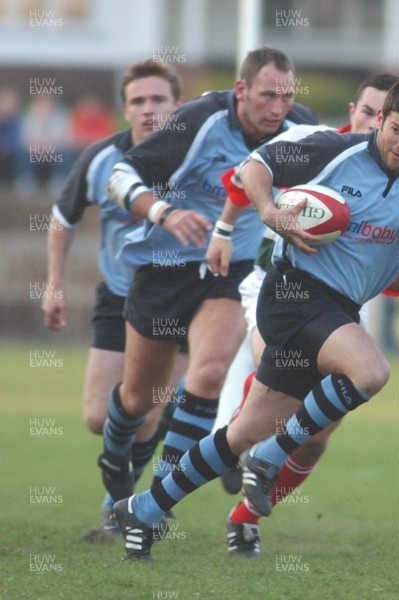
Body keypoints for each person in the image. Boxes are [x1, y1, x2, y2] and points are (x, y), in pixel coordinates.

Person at [109, 75, 399, 560]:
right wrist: (270, 212)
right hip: (292, 292)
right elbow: (254, 167)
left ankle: (146, 508)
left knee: (240, 433)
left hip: (338, 309)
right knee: (370, 372)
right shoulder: (331, 149)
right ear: (380, 119)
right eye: (397, 129)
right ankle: (273, 456)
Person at [208, 72, 399, 556]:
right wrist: (230, 227)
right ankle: (235, 435)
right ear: (357, 113)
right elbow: (245, 175)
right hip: (275, 285)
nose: (386, 131)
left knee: (314, 441)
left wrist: (363, 235)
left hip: (345, 309)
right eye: (374, 116)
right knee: (280, 367)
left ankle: (245, 515)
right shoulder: (313, 145)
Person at [99, 46, 319, 520]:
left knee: (211, 372)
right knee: (139, 397)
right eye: (266, 96)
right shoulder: (198, 119)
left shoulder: (300, 128)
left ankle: (154, 501)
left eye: (286, 96)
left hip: (230, 270)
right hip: (163, 267)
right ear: (241, 91)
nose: (277, 108)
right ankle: (115, 459)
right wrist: (167, 212)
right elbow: (119, 177)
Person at [41, 58, 185, 541]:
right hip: (119, 297)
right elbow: (63, 217)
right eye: (138, 101)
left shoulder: (199, 155)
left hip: (180, 301)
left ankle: (121, 509)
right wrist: (55, 284)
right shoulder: (103, 158)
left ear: (177, 104)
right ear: (125, 109)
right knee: (98, 416)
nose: (149, 110)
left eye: (158, 100)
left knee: (150, 411)